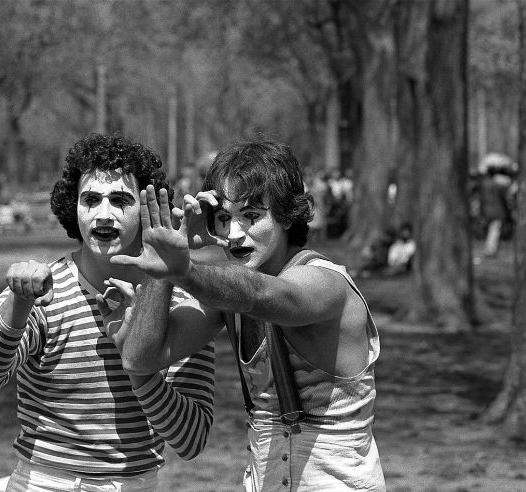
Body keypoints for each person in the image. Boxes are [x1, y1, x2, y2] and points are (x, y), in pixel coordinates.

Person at [109, 140, 386, 490]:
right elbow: (139, 358)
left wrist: (186, 272)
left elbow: (261, 293)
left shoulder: (326, 283)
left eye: (251, 216)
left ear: (286, 215)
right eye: (224, 218)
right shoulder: (224, 295)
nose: (235, 233)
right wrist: (160, 267)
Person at [0, 133, 215, 491]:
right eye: (91, 199)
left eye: (120, 200)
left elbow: (191, 441)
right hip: (43, 481)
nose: (103, 214)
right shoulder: (42, 291)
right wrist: (17, 307)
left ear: (146, 211)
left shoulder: (176, 304)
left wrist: (138, 359)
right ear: (73, 208)